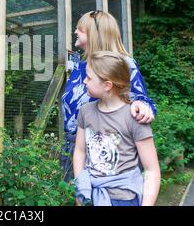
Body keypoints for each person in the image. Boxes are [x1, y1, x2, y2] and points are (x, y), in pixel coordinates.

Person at [60, 10, 156, 182]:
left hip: (105, 149)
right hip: (73, 149)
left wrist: (142, 106)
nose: (75, 32)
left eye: (79, 29)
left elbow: (141, 101)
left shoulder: (124, 63)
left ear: (94, 33)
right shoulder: (78, 68)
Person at [73, 51, 160, 206]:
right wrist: (81, 189)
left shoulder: (134, 117)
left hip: (125, 199)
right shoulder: (85, 111)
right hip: (91, 196)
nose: (84, 81)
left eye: (89, 77)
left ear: (107, 85)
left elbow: (152, 170)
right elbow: (80, 151)